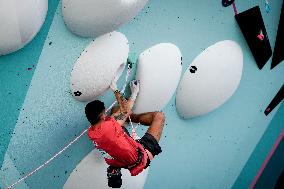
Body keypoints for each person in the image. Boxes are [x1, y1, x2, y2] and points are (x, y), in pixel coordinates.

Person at [85, 79, 165, 188]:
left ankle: (115, 167)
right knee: (159, 117)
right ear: (103, 116)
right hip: (142, 157)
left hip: (121, 158)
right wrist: (124, 92)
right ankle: (134, 118)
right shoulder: (110, 126)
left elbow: (117, 116)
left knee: (115, 111)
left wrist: (122, 115)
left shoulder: (91, 132)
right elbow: (125, 110)